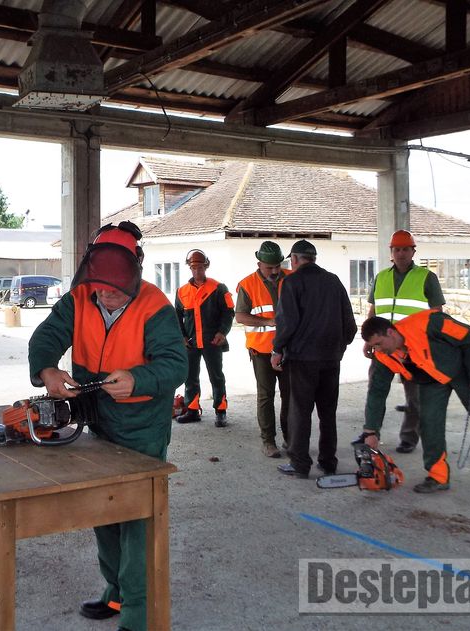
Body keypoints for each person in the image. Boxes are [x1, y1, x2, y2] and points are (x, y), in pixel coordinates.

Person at [28, 221, 186, 631]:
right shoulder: (80, 298)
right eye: (100, 285)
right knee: (104, 510)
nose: (106, 293)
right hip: (97, 422)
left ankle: (138, 612)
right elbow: (46, 337)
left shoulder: (155, 306)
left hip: (141, 429)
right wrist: (47, 370)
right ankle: (116, 593)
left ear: (134, 274)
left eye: (115, 286)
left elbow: (175, 365)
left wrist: (138, 379)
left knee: (137, 520)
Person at [360, 312, 470, 495]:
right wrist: (371, 430)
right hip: (430, 380)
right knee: (429, 424)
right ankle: (438, 476)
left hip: (465, 369)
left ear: (390, 332)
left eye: (379, 344)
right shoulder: (383, 357)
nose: (378, 349)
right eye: (373, 346)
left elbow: (467, 335)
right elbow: (377, 393)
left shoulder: (428, 323)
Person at [272, 240, 356, 479]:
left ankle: (300, 464)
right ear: (314, 258)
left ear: (295, 259)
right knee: (328, 412)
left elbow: (287, 322)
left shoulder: (292, 282)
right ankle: (328, 462)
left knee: (300, 412)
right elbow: (349, 323)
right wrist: (339, 347)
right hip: (331, 358)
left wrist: (277, 349)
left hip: (302, 359)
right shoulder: (334, 281)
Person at [356, 230, 445, 454]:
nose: (401, 253)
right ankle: (370, 433)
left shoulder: (426, 277)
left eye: (405, 249)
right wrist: (368, 340)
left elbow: (437, 313)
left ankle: (408, 438)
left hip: (413, 349)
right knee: (376, 390)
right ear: (391, 252)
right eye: (397, 249)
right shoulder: (381, 277)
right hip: (383, 346)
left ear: (413, 251)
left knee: (415, 396)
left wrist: (434, 344)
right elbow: (374, 309)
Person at [234, 241, 291, 457]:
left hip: (288, 350)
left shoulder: (291, 278)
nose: (275, 271)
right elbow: (240, 316)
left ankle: (290, 439)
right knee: (266, 396)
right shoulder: (248, 285)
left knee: (290, 396)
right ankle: (268, 441)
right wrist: (267, 322)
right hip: (261, 350)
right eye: (270, 267)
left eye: (278, 266)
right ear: (259, 264)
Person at [173, 249, 234, 426]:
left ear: (206, 267)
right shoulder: (182, 292)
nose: (197, 271)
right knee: (190, 377)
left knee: (216, 376)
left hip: (212, 341)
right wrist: (182, 337)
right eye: (194, 267)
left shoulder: (218, 288)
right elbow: (176, 317)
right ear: (189, 268)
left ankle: (221, 411)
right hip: (190, 343)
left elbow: (228, 313)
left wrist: (222, 332)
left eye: (200, 267)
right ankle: (192, 410)